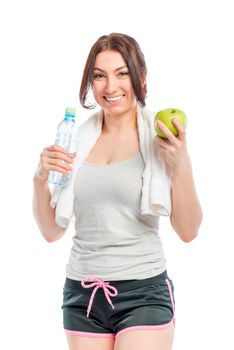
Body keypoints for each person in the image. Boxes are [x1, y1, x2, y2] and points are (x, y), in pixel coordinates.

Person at [32, 33, 203, 350]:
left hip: (144, 293)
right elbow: (51, 231)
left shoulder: (162, 137)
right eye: (99, 76)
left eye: (122, 73)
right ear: (90, 82)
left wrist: (180, 164)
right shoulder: (76, 142)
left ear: (141, 77)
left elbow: (189, 231)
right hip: (82, 294)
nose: (111, 87)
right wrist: (40, 178)